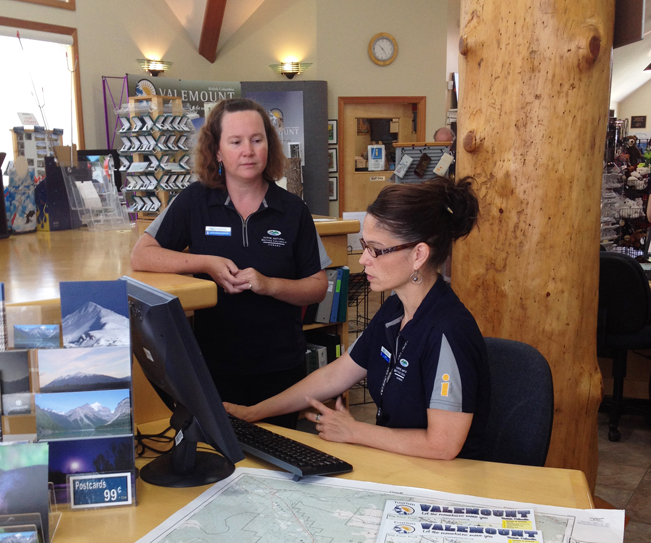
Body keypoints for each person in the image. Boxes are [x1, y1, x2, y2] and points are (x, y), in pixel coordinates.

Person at [226, 176, 490, 460]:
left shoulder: (448, 331)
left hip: (445, 482)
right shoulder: (394, 311)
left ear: (418, 255)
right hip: (398, 464)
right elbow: (336, 374)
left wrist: (354, 431)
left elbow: (443, 445)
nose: (364, 259)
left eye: (376, 249)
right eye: (365, 245)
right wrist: (254, 412)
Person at [130, 97, 328, 426]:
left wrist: (269, 285)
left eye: (257, 139)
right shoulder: (196, 200)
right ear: (218, 151)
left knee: (278, 464)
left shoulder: (293, 210)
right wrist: (204, 263)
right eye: (235, 142)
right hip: (213, 368)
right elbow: (142, 254)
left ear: (269, 145)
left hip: (280, 371)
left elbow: (318, 287)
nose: (248, 151)